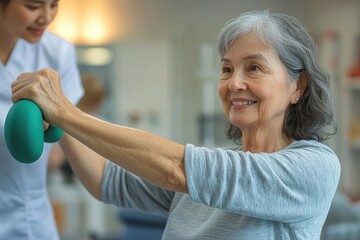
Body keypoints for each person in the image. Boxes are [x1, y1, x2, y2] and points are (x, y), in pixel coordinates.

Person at [11, 10, 341, 239]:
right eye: (227, 69)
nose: (234, 83)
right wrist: (57, 117)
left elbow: (176, 170)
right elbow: (104, 180)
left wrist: (65, 110)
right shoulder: (208, 172)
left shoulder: (312, 165)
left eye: (254, 68)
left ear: (298, 86)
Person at [0, 0, 83, 239]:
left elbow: (67, 129)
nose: (46, 17)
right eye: (33, 6)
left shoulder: (57, 53)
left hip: (30, 213)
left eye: (54, 4)